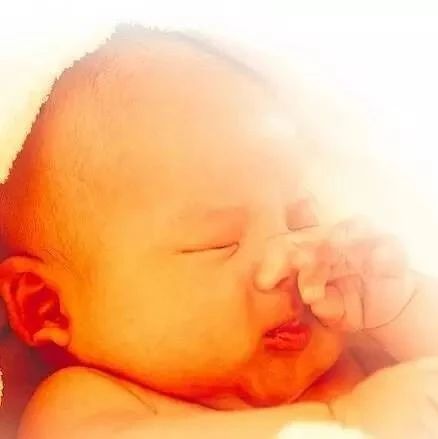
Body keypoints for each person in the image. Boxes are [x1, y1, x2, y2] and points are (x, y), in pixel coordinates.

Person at [0, 26, 437, 438]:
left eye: (301, 221)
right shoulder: (87, 406)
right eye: (218, 244)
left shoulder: (355, 343)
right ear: (47, 307)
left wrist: (400, 308)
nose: (287, 257)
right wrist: (345, 421)